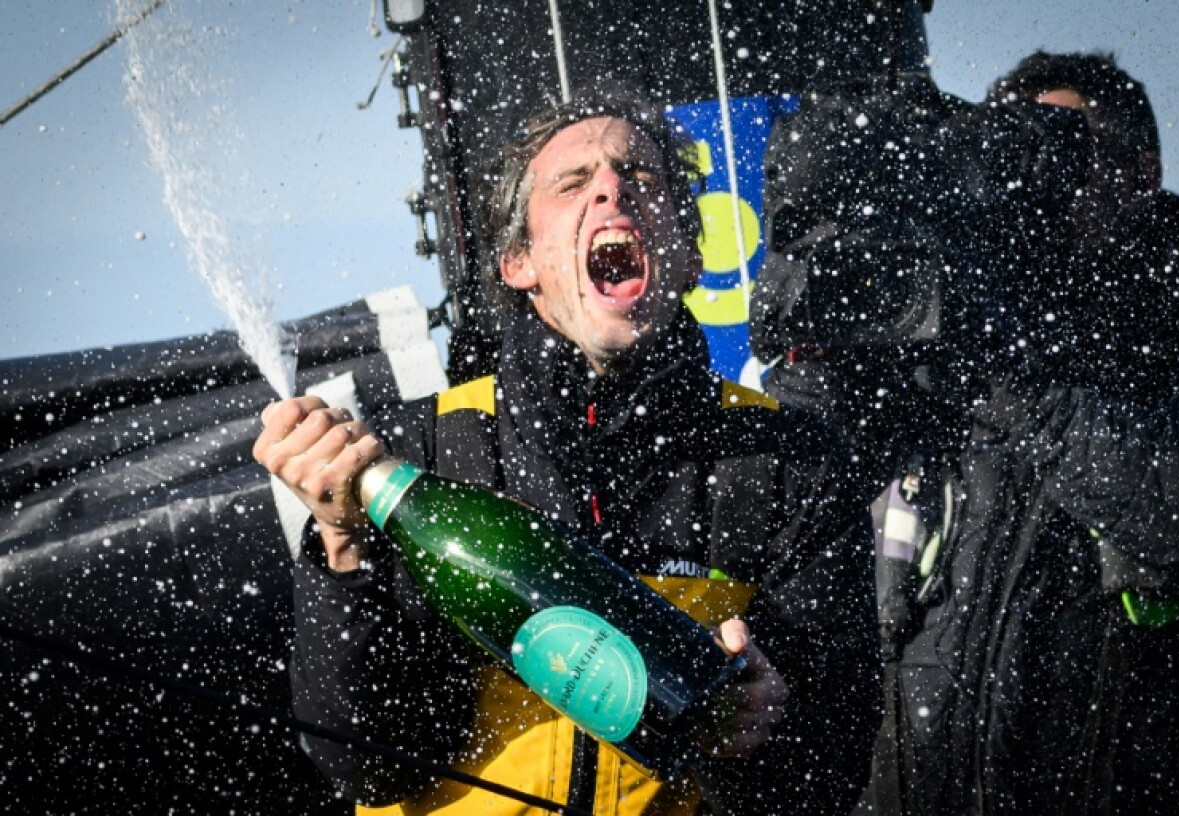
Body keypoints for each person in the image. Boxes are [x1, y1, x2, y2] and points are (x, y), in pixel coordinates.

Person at [254, 91, 880, 815]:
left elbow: (831, 772)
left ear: (689, 256)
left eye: (640, 177)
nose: (613, 188)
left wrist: (761, 731)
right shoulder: (419, 449)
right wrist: (341, 547)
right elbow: (363, 765)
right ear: (520, 260)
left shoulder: (788, 460)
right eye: (573, 182)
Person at [750, 51, 1179, 816]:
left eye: (1065, 151)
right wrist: (824, 310)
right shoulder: (953, 321)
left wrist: (1000, 372)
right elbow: (799, 480)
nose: (1042, 184)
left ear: (1141, 174)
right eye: (1016, 151)